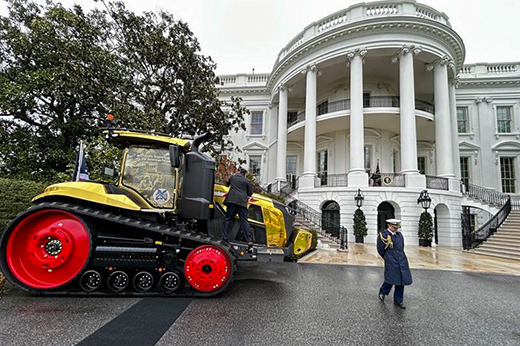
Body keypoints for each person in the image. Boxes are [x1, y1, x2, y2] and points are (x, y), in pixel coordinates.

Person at [376, 219, 413, 309]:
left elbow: (401, 247)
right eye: (394, 227)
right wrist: (388, 257)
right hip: (391, 258)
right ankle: (383, 290)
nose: (396, 229)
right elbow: (380, 249)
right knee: (391, 278)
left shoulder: (399, 235)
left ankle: (398, 300)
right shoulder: (383, 235)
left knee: (401, 279)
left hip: (401, 258)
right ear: (389, 225)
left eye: (397, 227)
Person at [222, 167, 254, 247]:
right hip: (242, 202)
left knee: (228, 218)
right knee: (244, 221)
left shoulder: (233, 177)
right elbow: (250, 193)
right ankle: (248, 240)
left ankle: (224, 237)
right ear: (245, 174)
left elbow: (227, 184)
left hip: (232, 201)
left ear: (238, 171)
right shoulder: (247, 181)